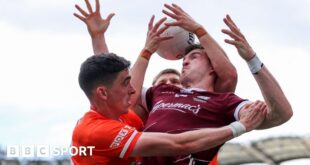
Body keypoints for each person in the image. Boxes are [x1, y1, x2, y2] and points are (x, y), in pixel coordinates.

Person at [72, 1, 266, 165]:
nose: (169, 86)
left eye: (174, 83)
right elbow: (109, 85)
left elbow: (108, 83)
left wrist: (98, 38)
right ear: (152, 104)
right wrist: (239, 127)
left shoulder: (206, 110)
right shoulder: (120, 124)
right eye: (162, 84)